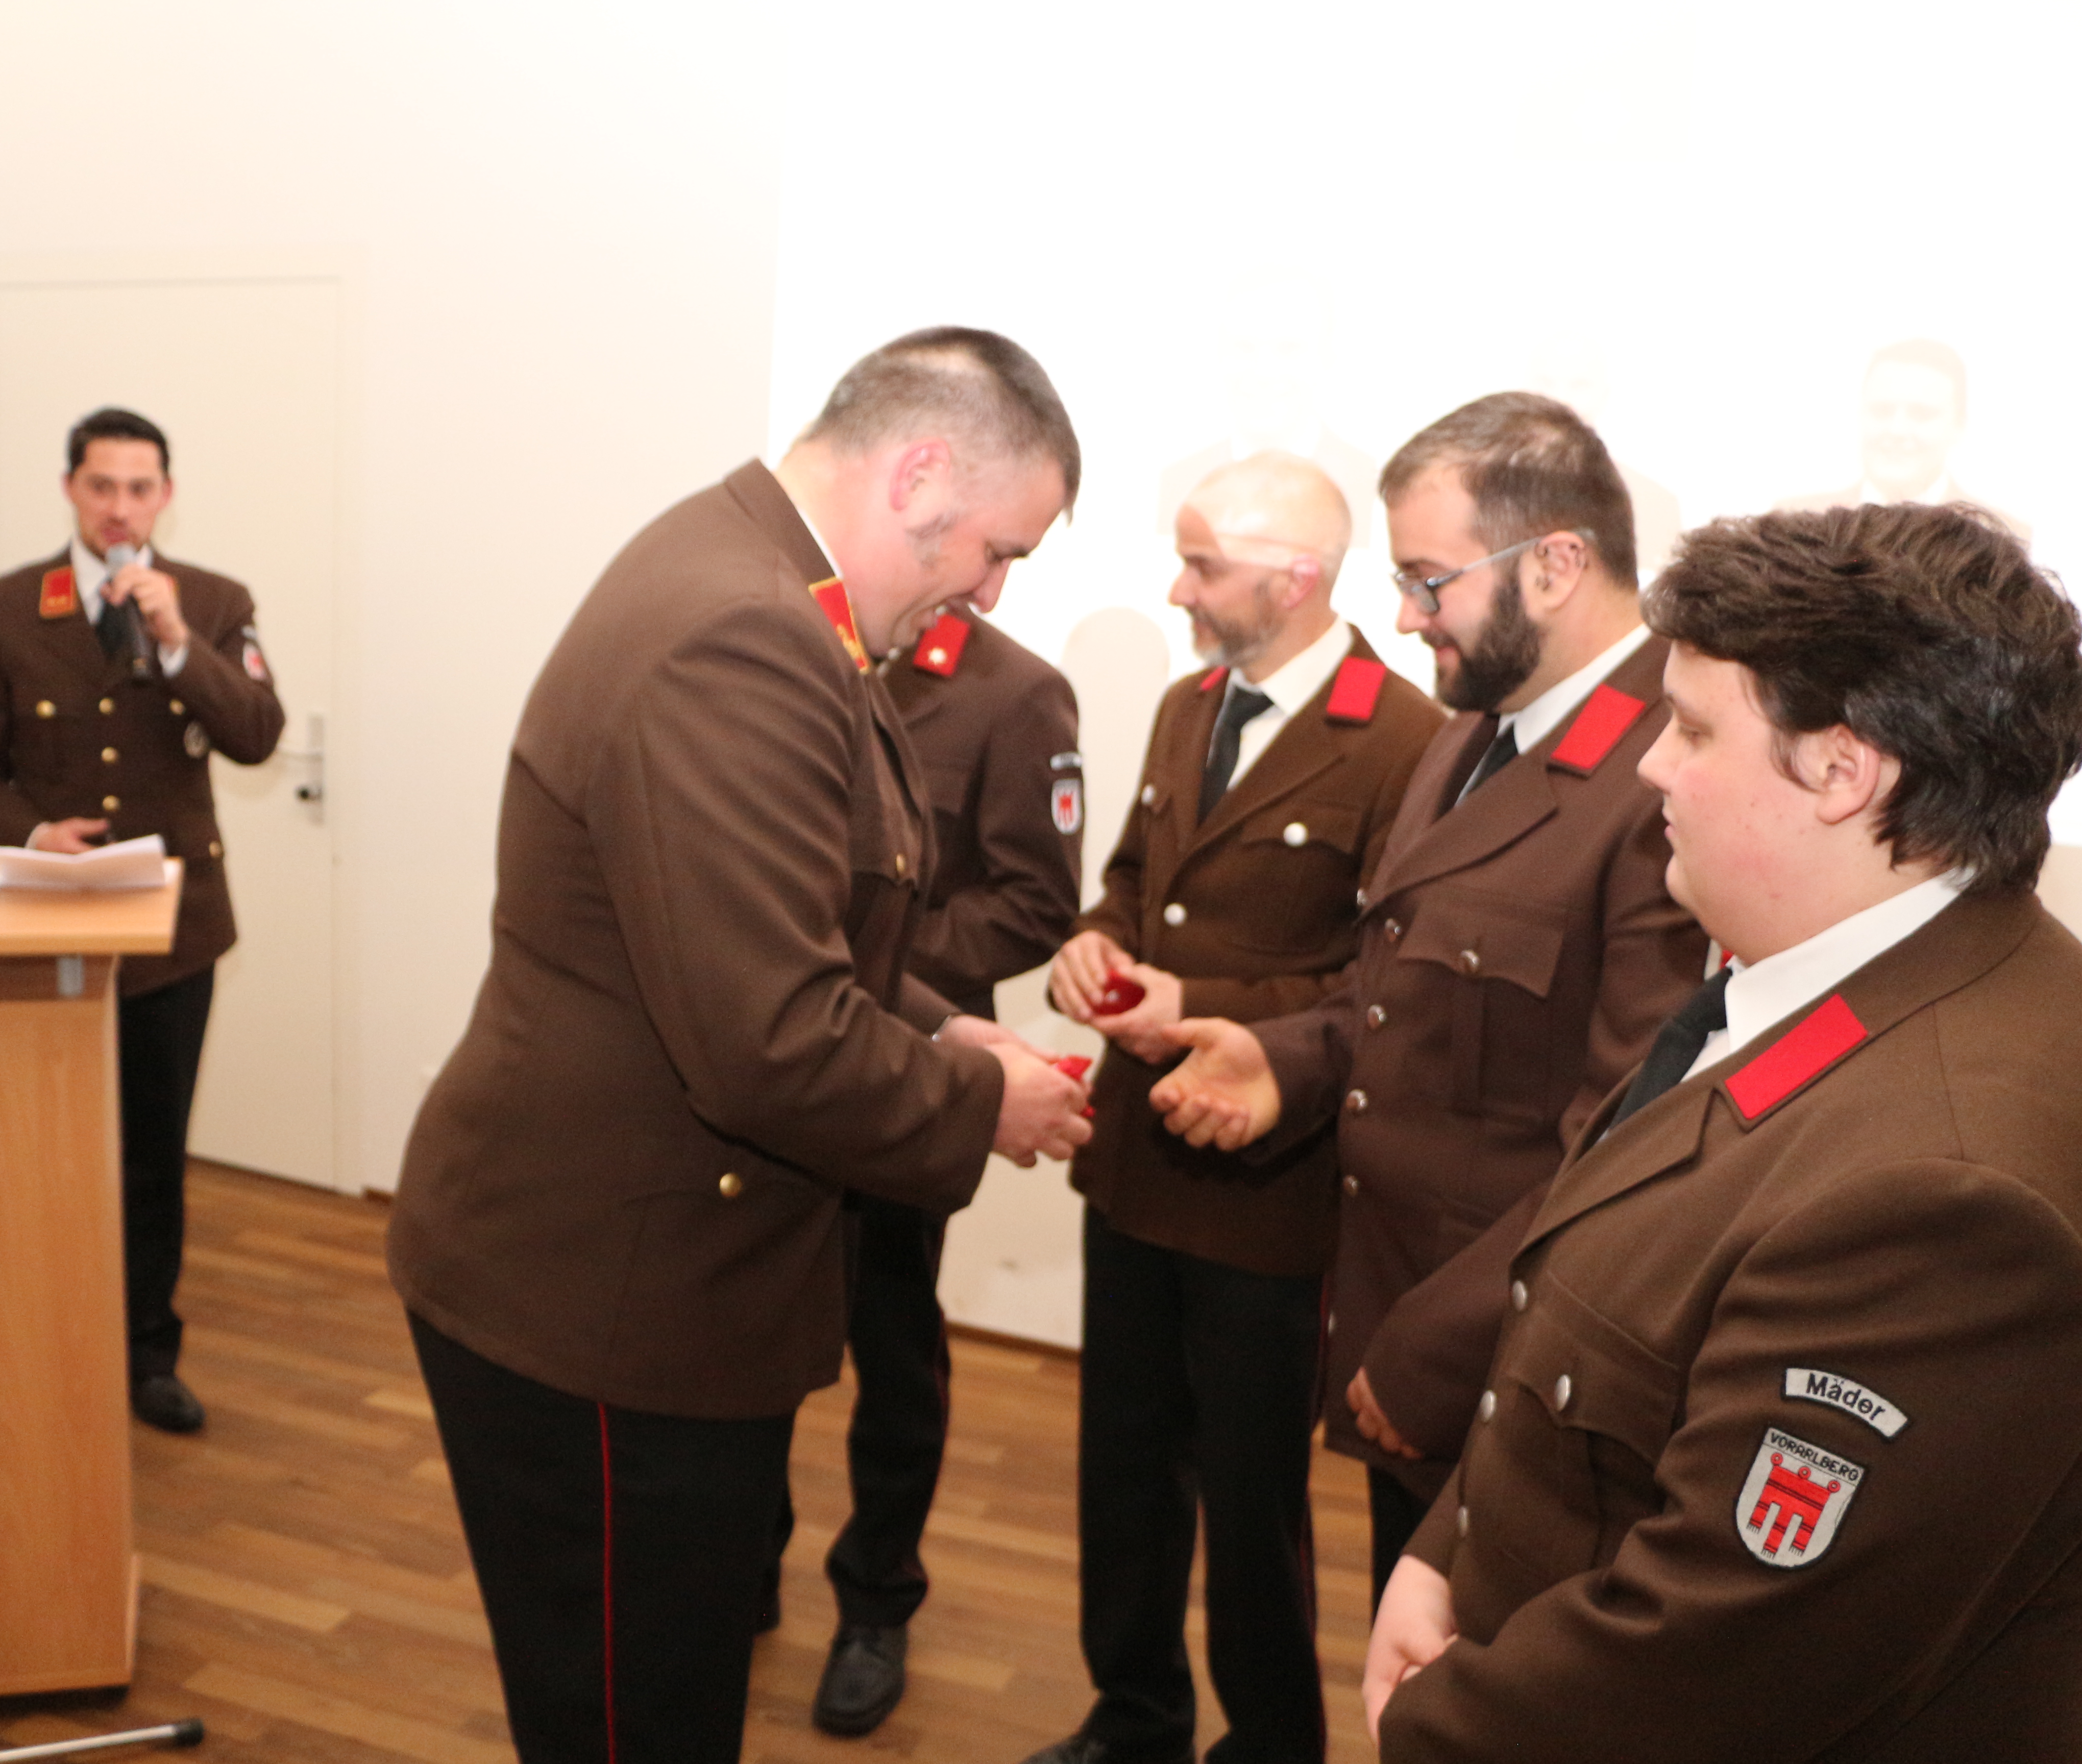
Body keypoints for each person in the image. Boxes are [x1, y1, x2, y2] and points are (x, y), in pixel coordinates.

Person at [1358, 502, 2082, 1758]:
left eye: (1694, 729)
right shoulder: (1836, 984)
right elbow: (1585, 1359)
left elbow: (1713, 1660)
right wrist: (1442, 1554)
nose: (1651, 766)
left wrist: (1430, 1722)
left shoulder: (1950, 1202)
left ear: (1841, 770)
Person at [386, 328, 1094, 1764]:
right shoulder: (746, 630)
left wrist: (941, 1022)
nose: (990, 593)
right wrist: (983, 1097)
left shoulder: (759, 578)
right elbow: (768, 1039)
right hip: (607, 1302)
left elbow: (776, 929)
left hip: (646, 1276)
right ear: (918, 474)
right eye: (997, 550)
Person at [1149, 395, 1706, 1614]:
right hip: (1402, 1318)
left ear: (1554, 566)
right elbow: (1393, 995)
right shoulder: (1471, 735)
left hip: (1512, 1371)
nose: (1403, 617)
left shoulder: (1668, 770)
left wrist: (1434, 1348)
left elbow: (1627, 1141)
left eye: (1427, 581)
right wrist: (1283, 1060)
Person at [1020, 452, 1443, 1764]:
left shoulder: (1404, 742)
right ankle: (1134, 1714)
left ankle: (1269, 1742)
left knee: (1254, 1501)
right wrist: (1090, 947)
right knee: (1122, 1470)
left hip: (1270, 1183)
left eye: (1202, 566)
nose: (1178, 589)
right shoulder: (1184, 703)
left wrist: (1193, 999)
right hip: (1137, 1160)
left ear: (1294, 577)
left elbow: (1381, 985)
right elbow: (1132, 883)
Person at [0, 406, 283, 1436]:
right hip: (48, 926)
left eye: (140, 488)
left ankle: (145, 1356)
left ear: (165, 496)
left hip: (174, 934)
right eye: (101, 486)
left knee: (151, 1158)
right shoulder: (8, 609)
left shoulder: (213, 602)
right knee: (42, 1150)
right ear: (70, 490)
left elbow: (257, 734)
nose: (120, 508)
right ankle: (44, 1337)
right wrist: (30, 831)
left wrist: (177, 642)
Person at [791, 608, 1086, 1737]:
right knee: (752, 1313)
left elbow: (1033, 903)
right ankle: (747, 1557)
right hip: (776, 1053)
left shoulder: (1016, 693)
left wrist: (863, 968)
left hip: (911, 1069)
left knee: (893, 1344)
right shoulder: (807, 646)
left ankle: (876, 1602)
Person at [1777, 337, 2030, 542]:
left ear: (1959, 426)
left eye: (1922, 414)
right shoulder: (1795, 521)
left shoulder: (2003, 534)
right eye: (1882, 411)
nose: (1897, 431)